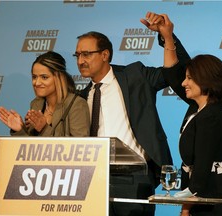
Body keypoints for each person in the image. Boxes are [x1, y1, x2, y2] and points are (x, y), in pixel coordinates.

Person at [74, 12, 190, 216]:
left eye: (86, 54)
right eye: (78, 56)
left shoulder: (135, 76)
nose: (81, 61)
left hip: (134, 177)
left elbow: (176, 74)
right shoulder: (80, 97)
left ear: (105, 54)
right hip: (94, 177)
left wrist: (168, 37)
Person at [163, 47, 222, 214]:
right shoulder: (197, 109)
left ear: (205, 79)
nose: (183, 83)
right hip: (200, 196)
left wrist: (185, 202)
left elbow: (202, 163)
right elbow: (172, 75)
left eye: (189, 78)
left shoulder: (211, 115)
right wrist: (167, 38)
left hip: (214, 198)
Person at [0, 51, 90, 137]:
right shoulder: (36, 104)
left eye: (44, 77)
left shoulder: (77, 105)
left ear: (59, 78)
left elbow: (79, 149)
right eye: (34, 77)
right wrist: (20, 130)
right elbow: (31, 148)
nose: (37, 83)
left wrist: (44, 128)